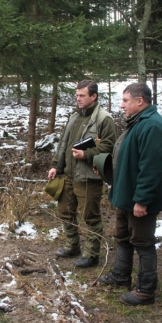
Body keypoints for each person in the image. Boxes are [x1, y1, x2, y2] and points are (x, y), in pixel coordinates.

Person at [99, 82, 162, 306]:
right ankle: (120, 276)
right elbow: (128, 157)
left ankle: (146, 291)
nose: (121, 106)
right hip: (126, 196)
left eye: (125, 101)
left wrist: (142, 200)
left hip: (139, 200)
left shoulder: (152, 126)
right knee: (123, 236)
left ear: (140, 101)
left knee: (143, 242)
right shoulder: (137, 123)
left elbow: (152, 167)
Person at [48, 80, 117, 268]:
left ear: (93, 96)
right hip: (68, 175)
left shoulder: (104, 119)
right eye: (77, 95)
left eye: (82, 95)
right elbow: (64, 143)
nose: (78, 99)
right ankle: (72, 245)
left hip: (89, 177)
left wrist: (86, 154)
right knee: (65, 212)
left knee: (90, 216)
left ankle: (92, 254)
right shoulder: (74, 116)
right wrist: (56, 165)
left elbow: (110, 146)